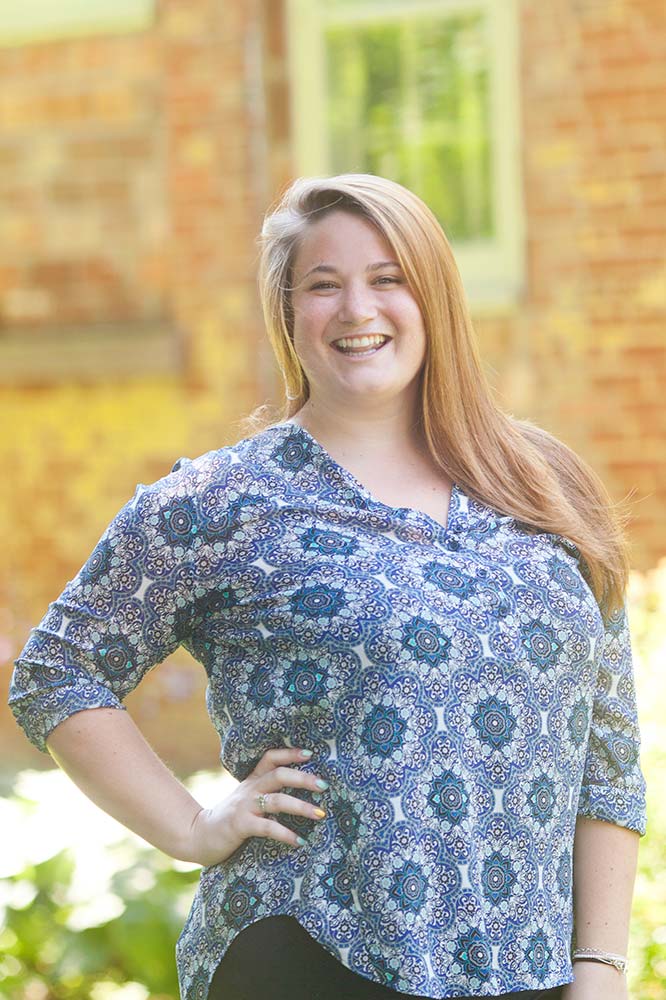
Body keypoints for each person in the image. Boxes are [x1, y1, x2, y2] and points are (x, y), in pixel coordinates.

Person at [9, 173, 646, 1000]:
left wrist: (597, 967)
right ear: (289, 313)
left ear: (436, 299)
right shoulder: (224, 503)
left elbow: (608, 758)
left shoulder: (542, 484)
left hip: (525, 967)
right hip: (311, 950)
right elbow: (58, 669)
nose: (358, 310)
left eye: (388, 279)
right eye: (323, 284)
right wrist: (192, 826)